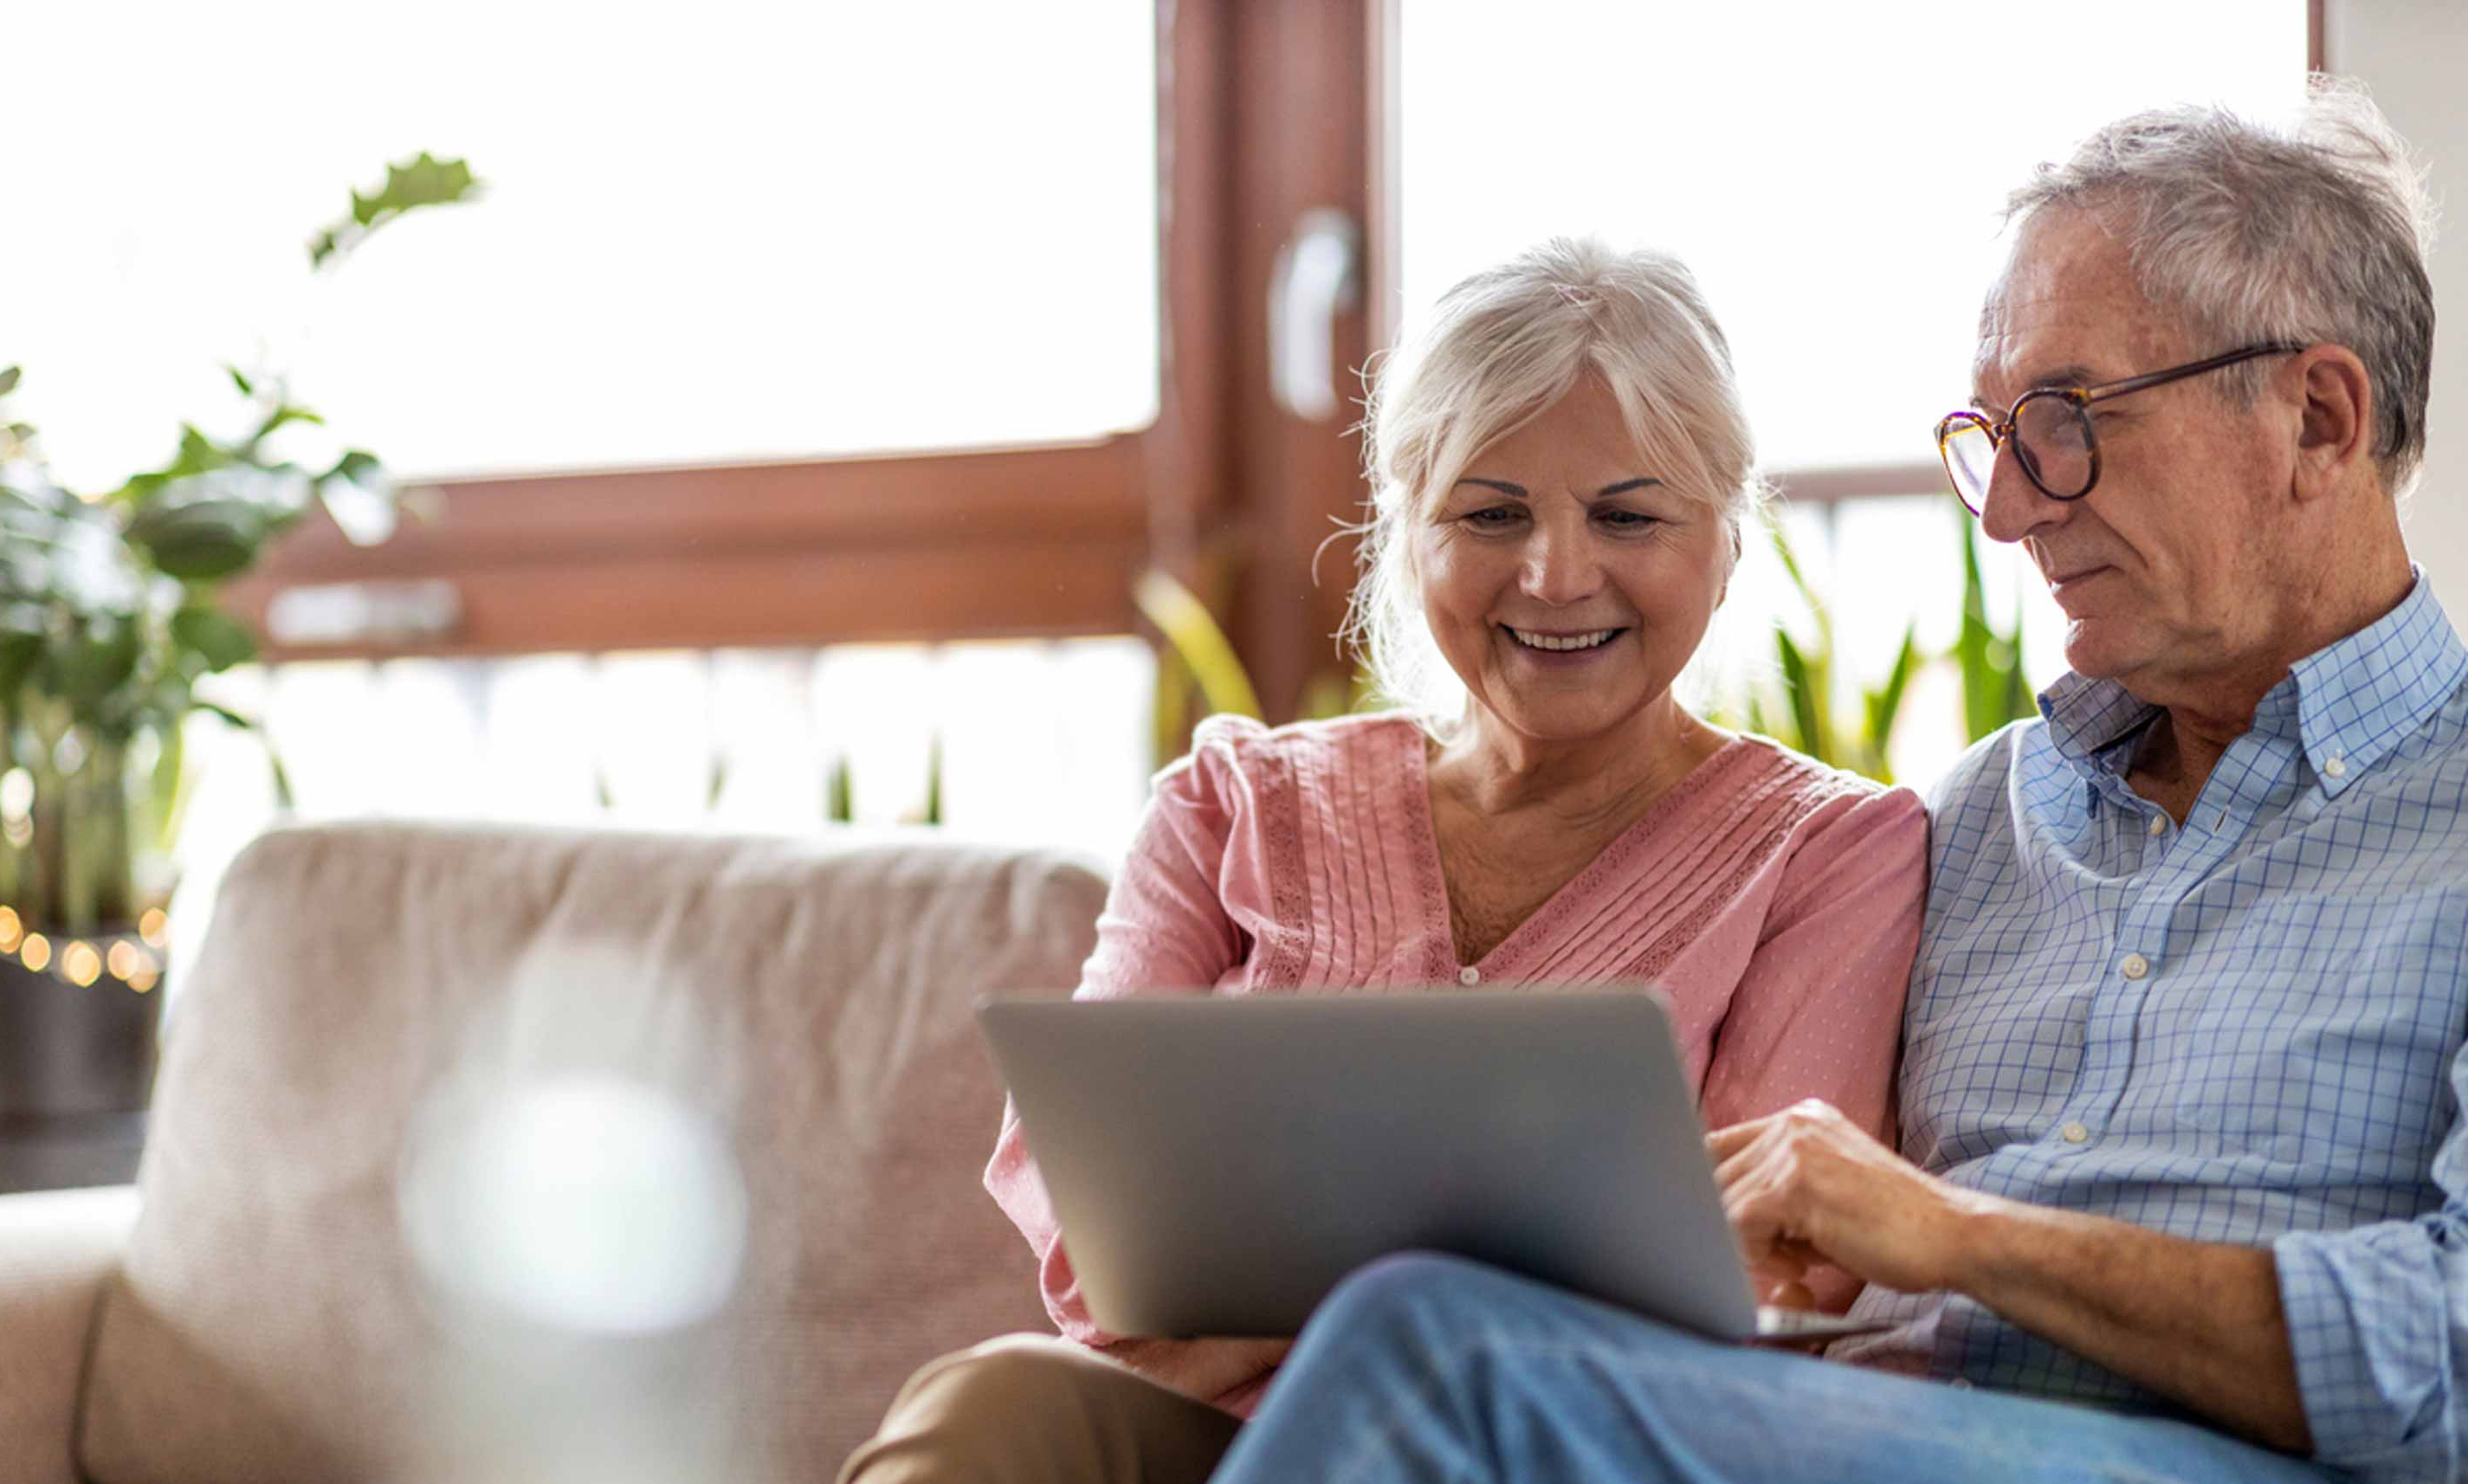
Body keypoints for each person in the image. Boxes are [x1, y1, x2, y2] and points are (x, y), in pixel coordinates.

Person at [1191, 81, 2466, 1484]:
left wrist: (1957, 1234)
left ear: (2321, 419)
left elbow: (2452, 1355)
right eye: (1990, 437)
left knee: (1438, 1355)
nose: (2010, 508)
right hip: (1845, 1432)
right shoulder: (1978, 818)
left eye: (2063, 418)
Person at [838, 237, 1930, 1483]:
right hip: (1204, 1443)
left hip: (1523, 1450)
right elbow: (1106, 1250)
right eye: (1490, 512)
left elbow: (1759, 1280)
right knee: (1002, 1405)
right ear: (1406, 533)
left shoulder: (1832, 851)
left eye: (1629, 513)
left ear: (1730, 540)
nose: (1557, 573)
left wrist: (1264, 1311)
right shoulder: (1230, 802)